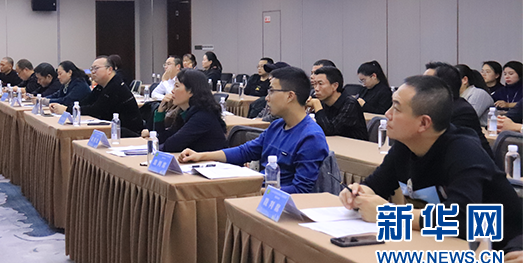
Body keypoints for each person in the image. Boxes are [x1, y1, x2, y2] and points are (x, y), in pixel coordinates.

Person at [338, 75, 523, 250]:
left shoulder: (464, 151)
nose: (387, 114)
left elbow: (460, 218)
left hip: (500, 252)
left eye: (396, 108)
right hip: (442, 245)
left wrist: (390, 215)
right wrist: (357, 193)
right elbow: (375, 185)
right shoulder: (405, 145)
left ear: (424, 123)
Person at [178, 66, 329, 194]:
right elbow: (245, 151)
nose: (267, 98)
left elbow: (301, 190)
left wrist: (251, 190)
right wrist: (201, 156)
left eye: (271, 91)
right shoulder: (276, 126)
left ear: (290, 96)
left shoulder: (311, 137)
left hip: (278, 202)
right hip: (260, 190)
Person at [50, 56, 143, 136]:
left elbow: (96, 110)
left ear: (109, 70)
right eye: (92, 69)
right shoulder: (102, 86)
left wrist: (67, 110)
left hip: (127, 131)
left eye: (96, 68)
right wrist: (69, 108)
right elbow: (86, 101)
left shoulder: (116, 86)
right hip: (112, 129)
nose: (93, 72)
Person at [424, 62, 494, 160]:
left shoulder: (461, 111)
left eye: (427, 81)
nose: (420, 86)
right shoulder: (433, 108)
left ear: (443, 86)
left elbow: (440, 149)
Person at [154, 69, 227, 152]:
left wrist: (153, 148)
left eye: (177, 86)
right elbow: (162, 138)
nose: (172, 91)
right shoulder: (186, 112)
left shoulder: (202, 116)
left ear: (191, 91)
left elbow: (171, 145)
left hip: (213, 160)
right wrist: (160, 112)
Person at [306, 66, 368, 141]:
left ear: (335, 86)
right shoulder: (321, 100)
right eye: (315, 84)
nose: (316, 89)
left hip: (354, 146)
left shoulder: (350, 104)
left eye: (320, 84)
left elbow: (329, 130)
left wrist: (317, 105)